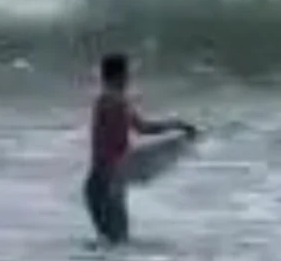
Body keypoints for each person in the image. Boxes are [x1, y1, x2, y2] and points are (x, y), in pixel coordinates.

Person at [84, 53, 197, 245]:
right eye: (127, 74)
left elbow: (143, 128)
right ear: (119, 75)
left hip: (102, 183)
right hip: (106, 183)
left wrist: (176, 124)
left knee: (113, 245)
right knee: (117, 244)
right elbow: (109, 146)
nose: (129, 79)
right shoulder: (111, 102)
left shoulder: (115, 101)